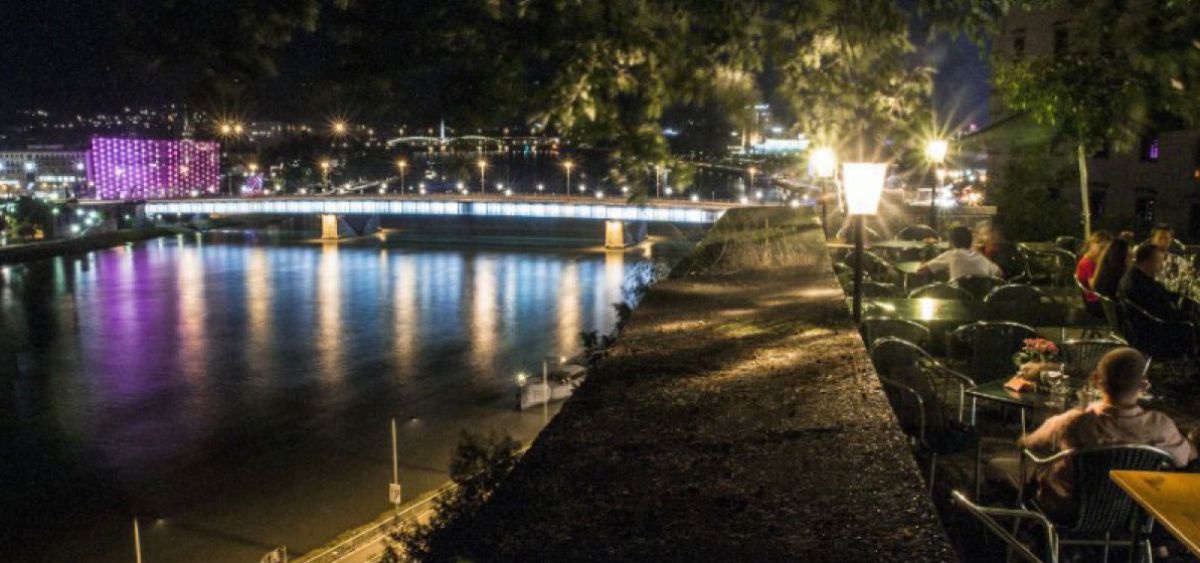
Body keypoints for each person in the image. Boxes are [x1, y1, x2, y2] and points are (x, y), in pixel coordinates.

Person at [1018, 348, 1197, 522]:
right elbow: (1185, 458)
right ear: (1143, 385)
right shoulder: (1161, 425)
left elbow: (1028, 444)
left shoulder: (1072, 421)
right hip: (1133, 514)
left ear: (1096, 379)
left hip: (1070, 511)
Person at [1118, 244, 1187, 322]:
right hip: (1155, 328)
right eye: (1159, 262)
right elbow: (1167, 313)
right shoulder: (1142, 286)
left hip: (1138, 325)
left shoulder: (1132, 275)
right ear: (1146, 262)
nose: (1162, 267)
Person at [918, 226, 1002, 280]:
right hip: (979, 302)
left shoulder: (952, 254)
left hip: (956, 300)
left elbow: (921, 271)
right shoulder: (980, 257)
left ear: (951, 242)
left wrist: (924, 257)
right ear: (971, 242)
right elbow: (999, 272)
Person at [1076, 230, 1113, 314]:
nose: (1104, 252)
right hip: (1095, 302)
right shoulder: (1088, 263)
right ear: (1091, 245)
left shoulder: (1091, 260)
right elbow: (1094, 286)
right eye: (1101, 248)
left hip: (1096, 299)